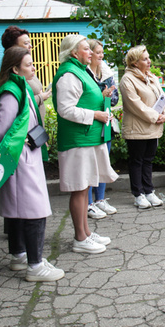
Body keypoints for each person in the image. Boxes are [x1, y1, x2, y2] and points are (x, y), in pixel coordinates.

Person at [0, 47, 64, 282]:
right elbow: (1, 130)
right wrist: (1, 155)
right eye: (29, 64)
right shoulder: (11, 92)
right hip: (19, 157)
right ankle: (35, 265)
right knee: (33, 209)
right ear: (15, 69)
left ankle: (19, 255)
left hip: (22, 155)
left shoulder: (18, 88)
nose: (34, 67)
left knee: (17, 209)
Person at [52, 34, 117, 254]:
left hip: (87, 138)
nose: (91, 52)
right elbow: (65, 109)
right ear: (74, 53)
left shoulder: (81, 70)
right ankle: (80, 238)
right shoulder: (69, 74)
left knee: (85, 186)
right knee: (79, 189)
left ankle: (86, 232)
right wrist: (96, 115)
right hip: (77, 139)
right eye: (86, 49)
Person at [119, 45, 165, 209]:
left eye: (148, 58)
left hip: (153, 128)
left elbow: (162, 97)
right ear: (134, 63)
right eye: (145, 59)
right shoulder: (127, 80)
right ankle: (138, 194)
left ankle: (149, 191)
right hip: (137, 129)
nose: (149, 61)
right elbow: (135, 105)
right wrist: (156, 117)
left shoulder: (152, 77)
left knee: (148, 161)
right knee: (137, 162)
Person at [86, 39, 120, 219]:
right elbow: (88, 100)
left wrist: (106, 95)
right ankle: (89, 203)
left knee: (104, 162)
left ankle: (100, 199)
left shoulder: (105, 72)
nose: (101, 56)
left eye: (102, 52)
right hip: (91, 123)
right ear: (89, 54)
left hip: (106, 122)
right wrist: (102, 95)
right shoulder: (85, 74)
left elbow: (114, 98)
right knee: (91, 163)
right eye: (98, 52)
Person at [1, 26, 51, 120]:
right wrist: (40, 97)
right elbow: (20, 102)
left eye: (30, 42)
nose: (30, 46)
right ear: (14, 48)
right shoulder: (14, 74)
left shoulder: (26, 68)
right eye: (26, 43)